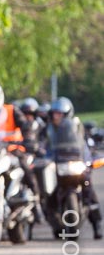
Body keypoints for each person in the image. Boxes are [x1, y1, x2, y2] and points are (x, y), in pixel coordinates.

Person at [0, 81, 42, 219]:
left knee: (26, 167)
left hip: (13, 150)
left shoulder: (11, 110)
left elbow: (26, 126)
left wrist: (28, 140)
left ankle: (36, 199)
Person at [44, 97, 102, 239]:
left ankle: (97, 224)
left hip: (75, 162)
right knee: (48, 193)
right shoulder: (49, 129)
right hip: (58, 164)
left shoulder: (77, 126)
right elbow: (43, 145)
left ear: (67, 114)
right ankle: (56, 223)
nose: (56, 117)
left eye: (60, 114)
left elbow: (85, 146)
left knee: (90, 190)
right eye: (54, 114)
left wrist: (89, 158)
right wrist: (41, 154)